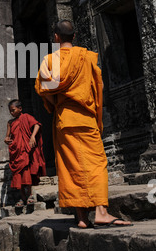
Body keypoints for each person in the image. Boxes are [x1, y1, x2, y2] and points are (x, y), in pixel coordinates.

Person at [35, 20, 132, 228]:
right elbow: (98, 85)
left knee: (70, 165)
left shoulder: (50, 60)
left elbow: (46, 89)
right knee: (96, 163)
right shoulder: (86, 57)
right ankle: (101, 212)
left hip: (65, 120)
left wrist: (57, 105)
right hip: (86, 118)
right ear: (74, 36)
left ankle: (80, 218)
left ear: (56, 37)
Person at [4, 99, 46, 207]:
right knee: (18, 175)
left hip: (25, 150)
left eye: (13, 110)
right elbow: (7, 136)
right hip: (16, 150)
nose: (11, 113)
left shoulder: (26, 117)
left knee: (26, 173)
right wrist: (6, 140)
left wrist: (32, 136)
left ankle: (30, 195)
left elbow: (36, 125)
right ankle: (22, 198)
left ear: (20, 109)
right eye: (10, 111)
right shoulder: (10, 123)